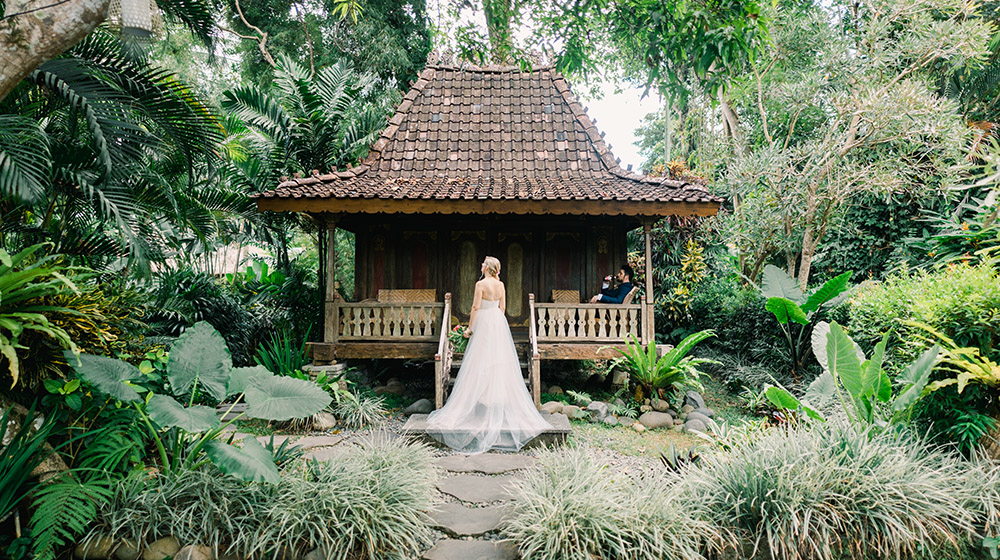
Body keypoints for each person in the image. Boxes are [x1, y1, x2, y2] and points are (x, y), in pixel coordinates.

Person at [425, 256, 551, 454]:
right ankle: (493, 399)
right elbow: (503, 308)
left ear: (489, 268)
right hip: (497, 322)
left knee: (479, 360)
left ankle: (480, 399)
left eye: (483, 263)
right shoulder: (500, 285)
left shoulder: (480, 284)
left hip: (483, 321)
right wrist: (496, 321)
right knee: (498, 361)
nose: (481, 265)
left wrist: (469, 329)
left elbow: (475, 307)